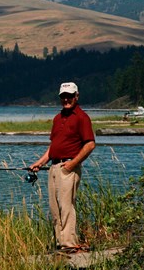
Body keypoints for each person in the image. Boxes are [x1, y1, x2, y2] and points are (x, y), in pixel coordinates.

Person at [29, 82, 96, 252]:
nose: (66, 99)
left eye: (69, 96)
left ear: (76, 96)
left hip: (68, 167)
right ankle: (60, 243)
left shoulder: (82, 117)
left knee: (66, 207)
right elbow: (54, 145)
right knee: (55, 209)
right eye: (63, 96)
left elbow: (90, 145)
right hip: (54, 167)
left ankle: (70, 244)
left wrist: (72, 164)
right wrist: (41, 161)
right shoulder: (58, 118)